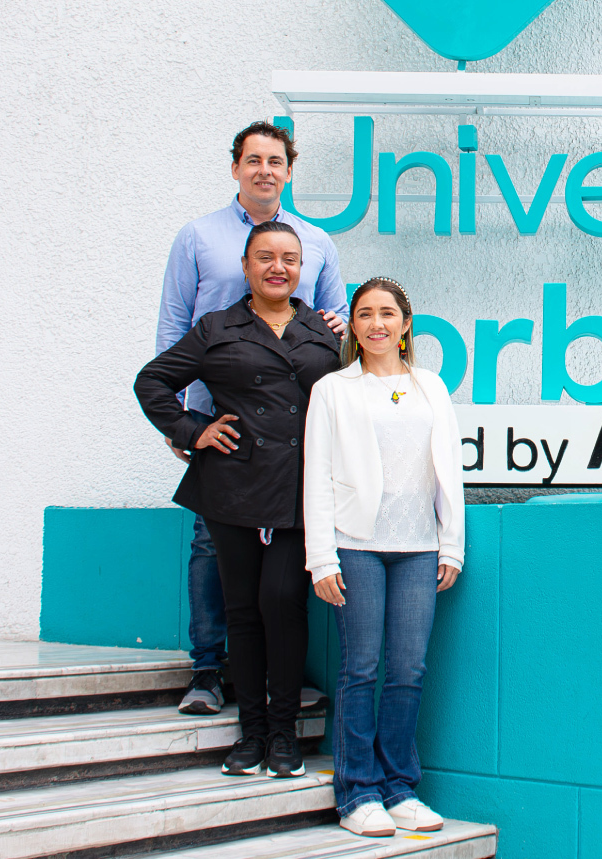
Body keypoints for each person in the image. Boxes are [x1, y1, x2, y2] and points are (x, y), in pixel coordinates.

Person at [136, 221, 343, 777]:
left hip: (302, 490)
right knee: (243, 612)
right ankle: (251, 735)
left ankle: (284, 736)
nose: (279, 267)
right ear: (247, 267)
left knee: (283, 603)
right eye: (266, 258)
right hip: (232, 486)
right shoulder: (216, 327)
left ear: (303, 269)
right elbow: (153, 381)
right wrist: (192, 430)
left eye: (290, 259)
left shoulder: (326, 333)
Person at [158, 121, 349, 716]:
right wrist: (184, 424)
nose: (264, 170)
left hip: (293, 433)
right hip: (223, 416)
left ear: (289, 171)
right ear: (236, 167)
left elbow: (335, 318)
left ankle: (272, 683)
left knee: (286, 568)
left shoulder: (315, 242)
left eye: (276, 160)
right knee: (213, 548)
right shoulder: (197, 237)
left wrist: (337, 327)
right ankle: (209, 671)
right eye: (253, 160)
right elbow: (172, 334)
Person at [303, 277, 465, 837]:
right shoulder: (334, 390)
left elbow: (449, 469)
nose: (377, 323)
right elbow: (317, 475)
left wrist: (453, 544)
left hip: (420, 549)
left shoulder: (430, 387)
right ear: (353, 325)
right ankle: (356, 794)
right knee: (360, 669)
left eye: (387, 313)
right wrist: (321, 559)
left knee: (408, 670)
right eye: (365, 313)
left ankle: (399, 789)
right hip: (357, 547)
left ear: (405, 324)